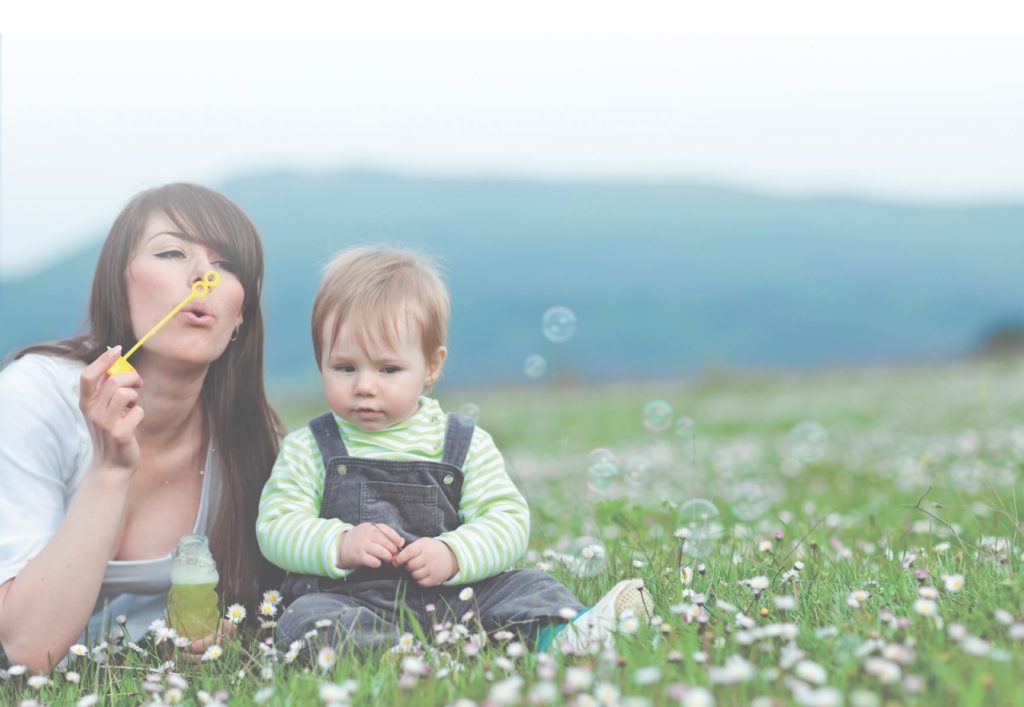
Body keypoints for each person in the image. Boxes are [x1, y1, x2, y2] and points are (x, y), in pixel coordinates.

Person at [256, 246, 652, 655]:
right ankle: (396, 657)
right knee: (304, 618)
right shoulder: (309, 446)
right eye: (345, 367)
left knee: (529, 585)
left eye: (388, 369)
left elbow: (507, 520)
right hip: (352, 601)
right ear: (321, 360)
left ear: (431, 365)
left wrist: (453, 552)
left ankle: (569, 635)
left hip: (454, 597)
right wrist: (338, 543)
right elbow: (276, 525)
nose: (365, 386)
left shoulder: (462, 443)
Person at [0, 183, 283, 672]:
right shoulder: (35, 397)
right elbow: (26, 649)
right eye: (172, 252)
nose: (202, 277)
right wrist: (110, 469)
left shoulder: (256, 445)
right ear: (120, 282)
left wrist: (215, 638)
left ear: (240, 316)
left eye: (226, 265)